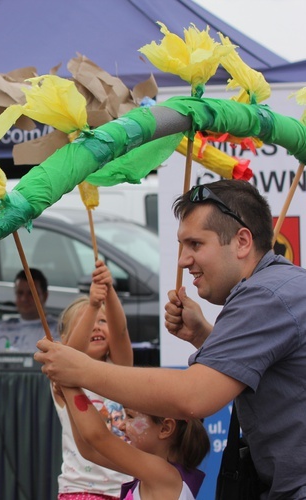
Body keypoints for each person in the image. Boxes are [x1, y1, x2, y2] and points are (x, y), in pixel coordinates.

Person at [35, 179, 306, 497]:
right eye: (181, 246)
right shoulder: (282, 285)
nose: (182, 260)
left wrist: (79, 370)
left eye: (195, 244)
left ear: (242, 241)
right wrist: (204, 336)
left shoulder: (264, 294)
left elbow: (194, 397)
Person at [54, 260, 133, 499]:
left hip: (126, 488)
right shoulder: (62, 377)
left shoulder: (118, 370)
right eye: (86, 323)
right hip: (82, 489)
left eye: (102, 321)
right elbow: (72, 357)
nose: (96, 327)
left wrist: (109, 293)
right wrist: (92, 305)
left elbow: (120, 332)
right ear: (64, 339)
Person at [59, 383, 209, 499]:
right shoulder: (149, 474)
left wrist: (69, 380)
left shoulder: (163, 474)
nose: (122, 425)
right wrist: (68, 392)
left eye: (130, 417)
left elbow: (98, 438)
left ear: (165, 428)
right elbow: (90, 451)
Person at [0, 268, 59, 350]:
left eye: (31, 293)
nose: (24, 299)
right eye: (20, 293)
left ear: (45, 296)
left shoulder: (58, 331)